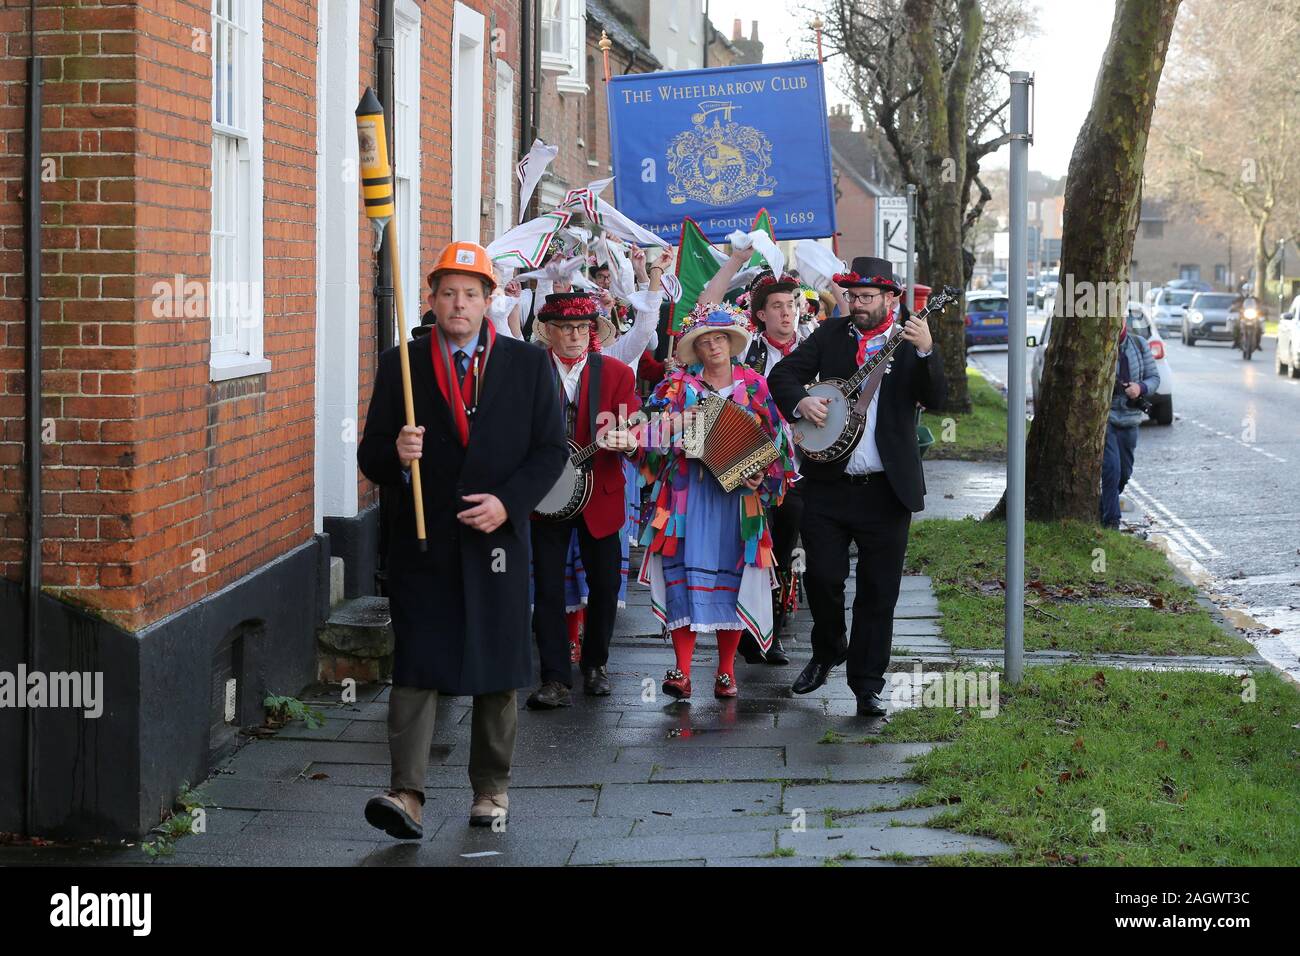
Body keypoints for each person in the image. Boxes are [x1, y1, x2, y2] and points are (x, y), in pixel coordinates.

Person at [357, 240, 567, 837]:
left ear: (488, 301)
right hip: (423, 541)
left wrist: (508, 503)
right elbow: (370, 452)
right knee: (418, 664)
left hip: (498, 542)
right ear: (432, 298)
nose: (458, 304)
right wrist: (396, 456)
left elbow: (550, 451)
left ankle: (491, 790)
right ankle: (406, 795)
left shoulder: (527, 365)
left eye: (470, 293)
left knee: (498, 668)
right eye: (447, 292)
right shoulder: (403, 362)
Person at [768, 256, 946, 717]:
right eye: (853, 296)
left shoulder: (911, 341)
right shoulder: (830, 334)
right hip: (828, 484)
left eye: (868, 297)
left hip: (887, 490)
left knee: (878, 592)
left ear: (892, 298)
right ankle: (828, 649)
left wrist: (927, 351)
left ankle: (867, 683)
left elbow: (940, 398)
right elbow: (780, 376)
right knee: (823, 578)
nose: (858, 304)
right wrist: (802, 402)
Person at [638, 303, 798, 700]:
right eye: (705, 341)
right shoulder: (678, 386)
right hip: (687, 493)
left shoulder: (756, 384)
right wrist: (677, 427)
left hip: (737, 500)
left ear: (731, 342)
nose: (714, 347)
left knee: (734, 577)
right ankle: (682, 670)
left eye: (720, 339)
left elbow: (778, 440)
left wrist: (763, 471)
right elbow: (647, 436)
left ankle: (726, 672)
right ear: (696, 348)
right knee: (682, 575)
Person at [526, 292, 643, 709]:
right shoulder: (530, 370)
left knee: (606, 584)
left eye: (581, 328)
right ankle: (555, 677)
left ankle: (595, 665)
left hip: (601, 494)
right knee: (549, 589)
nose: (574, 336)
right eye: (565, 328)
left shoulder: (615, 374)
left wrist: (629, 440)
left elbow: (637, 426)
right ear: (548, 331)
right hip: (545, 496)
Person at [697, 249, 812, 666]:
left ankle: (771, 634)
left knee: (784, 555)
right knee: (745, 554)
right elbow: (705, 312)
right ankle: (739, 632)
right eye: (778, 307)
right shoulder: (744, 349)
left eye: (792, 306)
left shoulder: (814, 349)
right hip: (747, 469)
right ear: (760, 315)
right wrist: (736, 262)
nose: (787, 314)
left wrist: (837, 276)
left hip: (798, 473)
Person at [1101, 321, 1159, 529]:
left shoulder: (1139, 344)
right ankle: (1111, 521)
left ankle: (1102, 506)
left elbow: (1154, 378)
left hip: (1131, 419)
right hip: (1106, 418)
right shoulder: (1100, 344)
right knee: (1111, 468)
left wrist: (1140, 388)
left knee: (1124, 472)